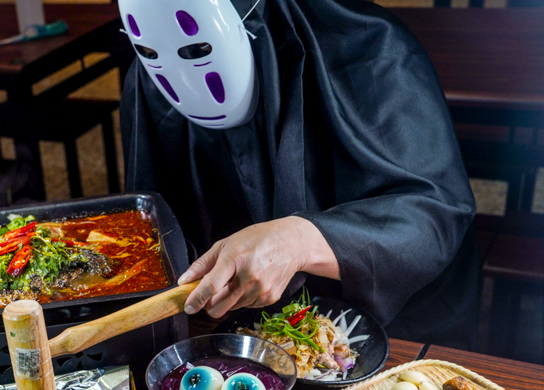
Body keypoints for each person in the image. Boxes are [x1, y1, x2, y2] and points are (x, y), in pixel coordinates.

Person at [118, 0, 480, 348]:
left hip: (379, 329)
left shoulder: (372, 50)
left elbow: (434, 213)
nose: (184, 77)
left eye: (197, 50)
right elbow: (149, 215)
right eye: (152, 54)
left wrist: (300, 239)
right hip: (225, 329)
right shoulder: (154, 64)